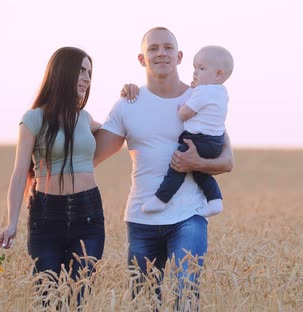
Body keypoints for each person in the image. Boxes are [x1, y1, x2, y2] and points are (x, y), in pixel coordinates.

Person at [94, 27, 234, 309]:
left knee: (186, 293)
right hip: (142, 219)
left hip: (189, 216)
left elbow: (227, 161)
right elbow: (93, 154)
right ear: (141, 58)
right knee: (144, 301)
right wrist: (83, 121)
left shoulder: (202, 98)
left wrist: (198, 163)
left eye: (168, 47)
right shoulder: (127, 104)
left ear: (179, 56)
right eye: (153, 48)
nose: (161, 53)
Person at [0, 47, 105, 305]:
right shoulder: (33, 119)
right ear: (62, 72)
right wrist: (11, 224)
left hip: (88, 215)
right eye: (81, 70)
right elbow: (20, 174)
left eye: (90, 72)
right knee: (48, 299)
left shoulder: (86, 119)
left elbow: (119, 130)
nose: (88, 79)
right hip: (46, 217)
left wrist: (130, 95)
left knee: (78, 298)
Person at [141, 45, 234, 216]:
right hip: (215, 142)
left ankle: (161, 199)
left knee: (178, 165)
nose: (195, 72)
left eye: (201, 68)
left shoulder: (203, 92)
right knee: (199, 172)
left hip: (198, 140)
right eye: (194, 68)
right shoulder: (222, 92)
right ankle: (215, 200)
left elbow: (185, 114)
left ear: (218, 74)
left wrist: (182, 107)